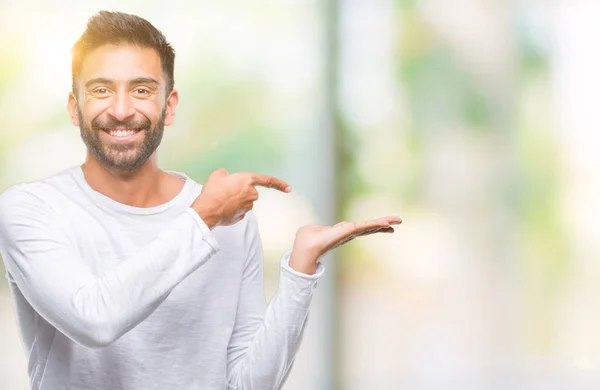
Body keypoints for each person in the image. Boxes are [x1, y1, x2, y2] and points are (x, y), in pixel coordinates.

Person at [0, 10, 401, 390]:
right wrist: (204, 216)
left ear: (168, 106)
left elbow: (248, 383)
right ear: (75, 107)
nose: (121, 110)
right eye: (101, 90)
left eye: (141, 90)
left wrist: (301, 268)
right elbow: (94, 320)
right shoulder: (31, 210)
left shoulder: (230, 222)